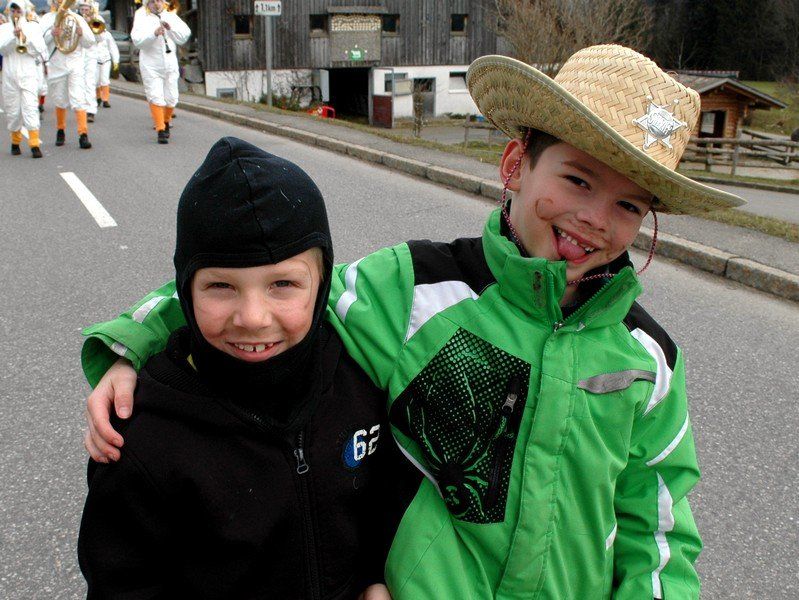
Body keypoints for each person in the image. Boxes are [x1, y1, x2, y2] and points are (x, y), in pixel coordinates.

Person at [82, 46, 746, 598]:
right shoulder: (412, 288)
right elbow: (274, 290)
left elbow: (658, 526)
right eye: (577, 180)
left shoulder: (646, 357)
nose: (596, 219)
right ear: (515, 165)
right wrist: (133, 340)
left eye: (628, 205)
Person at [78, 137, 394, 600]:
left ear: (323, 283)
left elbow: (385, 502)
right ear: (185, 288)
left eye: (283, 284)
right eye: (221, 286)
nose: (252, 318)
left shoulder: (361, 377)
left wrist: (374, 577)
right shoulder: (139, 437)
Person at [130, 0, 190, 144]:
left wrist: (171, 29)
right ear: (147, 3)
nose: (156, 4)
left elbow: (184, 36)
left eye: (159, 0)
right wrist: (154, 34)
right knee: (155, 96)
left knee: (172, 98)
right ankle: (160, 130)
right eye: (153, 1)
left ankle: (166, 121)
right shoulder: (141, 15)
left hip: (170, 63)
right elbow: (137, 41)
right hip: (151, 64)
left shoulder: (169, 13)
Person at [40, 0, 94, 149]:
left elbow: (90, 42)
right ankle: (60, 129)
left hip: (75, 63)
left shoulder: (77, 18)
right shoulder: (47, 19)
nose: (60, 2)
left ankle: (83, 134)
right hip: (57, 64)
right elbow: (38, 43)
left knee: (79, 98)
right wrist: (51, 34)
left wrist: (82, 34)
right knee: (59, 98)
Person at [0, 1, 46, 157]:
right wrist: (13, 37)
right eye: (13, 10)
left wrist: (24, 38)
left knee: (30, 107)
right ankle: (15, 142)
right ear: (9, 11)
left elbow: (39, 50)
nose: (16, 13)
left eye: (18, 10)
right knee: (12, 110)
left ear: (24, 11)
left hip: (28, 74)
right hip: (10, 75)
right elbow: (2, 50)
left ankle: (34, 144)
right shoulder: (4, 28)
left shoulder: (33, 27)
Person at [76, 1, 98, 123]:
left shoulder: (97, 19)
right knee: (79, 83)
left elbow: (101, 38)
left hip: (91, 55)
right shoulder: (75, 19)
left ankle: (91, 110)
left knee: (90, 82)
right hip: (78, 55)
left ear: (90, 10)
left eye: (86, 10)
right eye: (82, 10)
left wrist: (92, 25)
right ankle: (82, 107)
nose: (84, 12)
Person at [92, 12, 118, 108]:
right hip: (95, 60)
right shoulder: (91, 35)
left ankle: (105, 99)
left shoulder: (107, 35)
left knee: (105, 79)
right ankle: (98, 97)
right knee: (96, 81)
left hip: (106, 60)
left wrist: (116, 61)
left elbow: (113, 48)